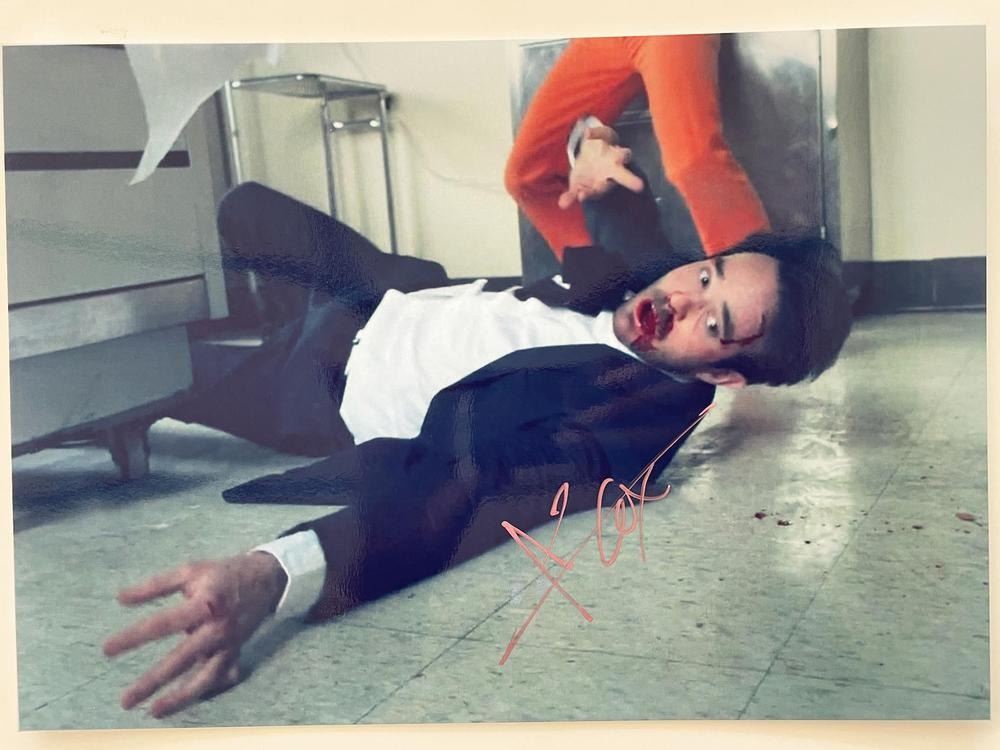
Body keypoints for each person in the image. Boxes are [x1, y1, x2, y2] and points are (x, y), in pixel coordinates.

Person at [103, 136, 851, 718]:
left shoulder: (617, 435)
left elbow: (462, 490)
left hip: (319, 388)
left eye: (714, 323)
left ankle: (177, 384)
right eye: (708, 272)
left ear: (723, 375)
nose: (683, 298)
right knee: (243, 208)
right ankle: (270, 313)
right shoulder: (664, 284)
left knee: (134, 377)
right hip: (385, 288)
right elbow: (623, 207)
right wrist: (591, 148)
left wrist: (273, 574)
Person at [505, 34, 770, 261]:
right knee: (527, 176)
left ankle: (753, 285)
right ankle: (598, 283)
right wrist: (590, 141)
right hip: (602, 27)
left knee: (692, 161)